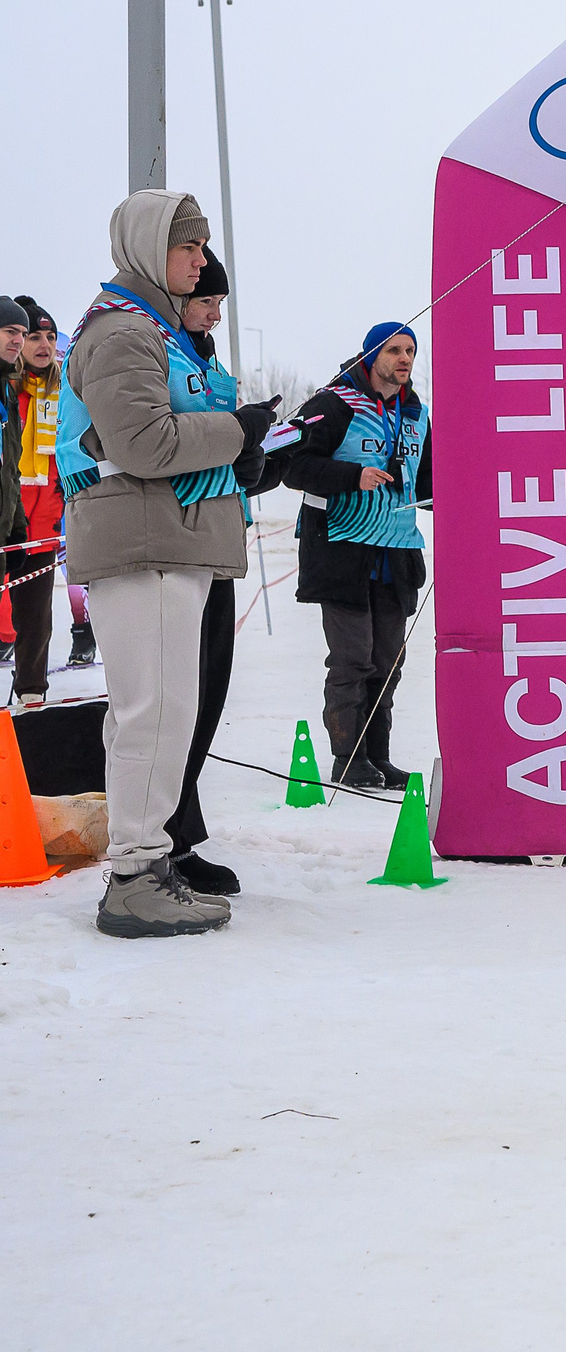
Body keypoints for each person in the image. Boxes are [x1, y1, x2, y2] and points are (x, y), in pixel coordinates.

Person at [63, 190, 274, 938]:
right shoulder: (124, 331)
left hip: (166, 541)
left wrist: (240, 448)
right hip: (143, 543)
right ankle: (135, 875)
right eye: (189, 247)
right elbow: (142, 443)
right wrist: (236, 429)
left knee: (158, 711)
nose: (199, 260)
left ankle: (147, 860)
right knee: (154, 711)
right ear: (152, 247)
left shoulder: (156, 331)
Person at [161, 253, 278, 894]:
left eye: (218, 304)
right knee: (175, 703)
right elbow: (163, 443)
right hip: (173, 542)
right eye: (206, 301)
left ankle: (181, 837)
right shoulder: (156, 351)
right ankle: (161, 847)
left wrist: (253, 457)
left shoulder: (207, 359)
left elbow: (218, 446)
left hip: (216, 538)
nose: (214, 313)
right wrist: (236, 435)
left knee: (206, 700)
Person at [281, 320, 430, 789]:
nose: (404, 360)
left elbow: (428, 480)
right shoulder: (334, 403)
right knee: (352, 659)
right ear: (370, 355)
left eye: (410, 351)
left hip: (397, 552)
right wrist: (352, 476)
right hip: (342, 552)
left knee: (388, 662)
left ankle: (378, 757)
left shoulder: (416, 413)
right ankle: (348, 759)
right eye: (393, 351)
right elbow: (291, 466)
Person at [11, 299, 69, 704]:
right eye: (34, 336)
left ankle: (32, 696)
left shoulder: (64, 395)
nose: (44, 344)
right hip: (6, 525)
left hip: (43, 529)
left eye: (49, 336)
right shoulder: (5, 392)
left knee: (36, 623)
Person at [0, 292, 28, 672]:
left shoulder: (8, 389)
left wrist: (17, 524)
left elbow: (11, 468)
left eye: (20, 332)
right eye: (8, 330)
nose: (18, 340)